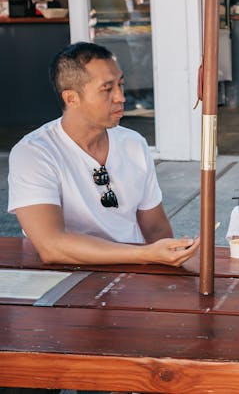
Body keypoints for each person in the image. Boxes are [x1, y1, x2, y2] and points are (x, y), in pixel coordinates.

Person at [7, 42, 199, 266]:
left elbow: (155, 228)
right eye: (107, 89)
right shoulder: (34, 153)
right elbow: (51, 246)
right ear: (71, 98)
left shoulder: (133, 144)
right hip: (65, 277)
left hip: (135, 275)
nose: (121, 97)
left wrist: (174, 259)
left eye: (121, 84)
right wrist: (145, 255)